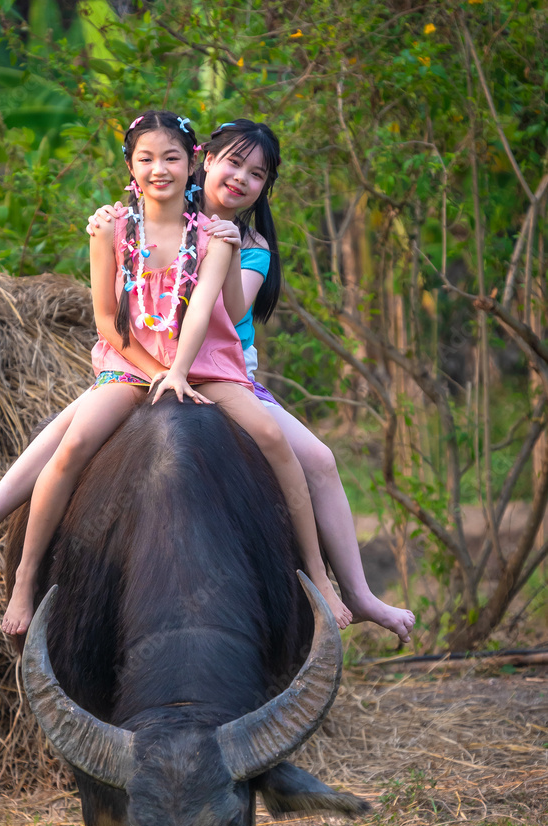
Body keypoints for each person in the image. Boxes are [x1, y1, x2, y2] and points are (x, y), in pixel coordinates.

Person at [0, 110, 338, 635]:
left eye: (171, 157)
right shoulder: (113, 229)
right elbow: (108, 319)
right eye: (146, 158)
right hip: (133, 363)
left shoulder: (219, 236)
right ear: (131, 166)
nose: (159, 168)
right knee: (72, 441)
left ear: (192, 163)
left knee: (273, 437)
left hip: (205, 364)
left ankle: (320, 576)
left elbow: (203, 314)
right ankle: (25, 576)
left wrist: (178, 372)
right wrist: (157, 373)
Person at [87, 119, 415, 643]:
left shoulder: (248, 242)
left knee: (321, 460)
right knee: (64, 441)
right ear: (204, 161)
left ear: (265, 187)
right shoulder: (165, 212)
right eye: (232, 162)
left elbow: (214, 307)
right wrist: (112, 220)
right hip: (144, 365)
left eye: (257, 174)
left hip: (222, 371)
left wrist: (221, 244)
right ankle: (4, 551)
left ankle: (354, 590)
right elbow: (138, 225)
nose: (240, 178)